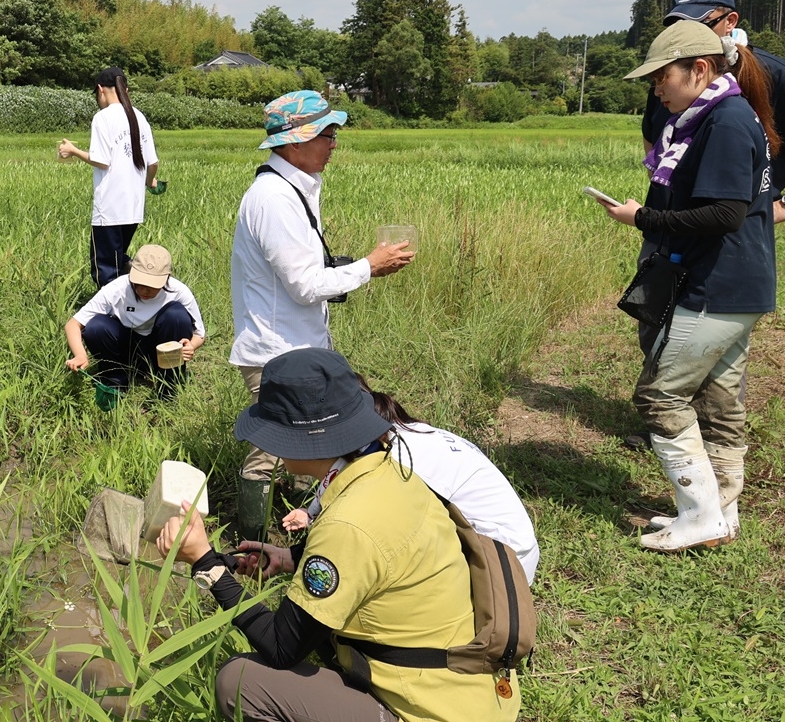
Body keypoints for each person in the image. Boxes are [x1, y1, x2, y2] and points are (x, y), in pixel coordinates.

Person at [157, 348, 519, 722]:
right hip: (480, 714)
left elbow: (282, 646)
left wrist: (205, 564)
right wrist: (288, 559)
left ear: (307, 439)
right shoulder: (391, 473)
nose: (274, 448)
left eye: (276, 435)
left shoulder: (349, 523)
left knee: (241, 682)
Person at [596, 20, 778, 552]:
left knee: (660, 395)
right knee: (719, 401)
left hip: (715, 285)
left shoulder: (722, 122)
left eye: (661, 77)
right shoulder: (722, 115)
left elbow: (723, 212)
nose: (656, 89)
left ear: (699, 69)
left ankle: (699, 515)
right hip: (740, 285)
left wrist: (643, 218)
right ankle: (721, 509)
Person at [229, 90, 415, 490]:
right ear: (295, 141)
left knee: (313, 447)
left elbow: (303, 272)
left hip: (299, 348)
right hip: (277, 355)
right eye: (327, 135)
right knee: (269, 455)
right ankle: (248, 543)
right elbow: (304, 285)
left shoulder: (296, 188)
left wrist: (363, 270)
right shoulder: (274, 198)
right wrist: (368, 267)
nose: (333, 145)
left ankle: (302, 528)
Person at [282, 384, 539, 585]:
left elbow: (360, 536)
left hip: (498, 569)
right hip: (507, 549)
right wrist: (310, 513)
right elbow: (337, 474)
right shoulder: (400, 434)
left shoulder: (395, 463)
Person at [643, 0, 785, 219]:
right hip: (670, 226)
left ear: (730, 21)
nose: (687, 37)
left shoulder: (775, 75)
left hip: (733, 230)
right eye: (678, 28)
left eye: (699, 26)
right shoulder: (668, 81)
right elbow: (652, 133)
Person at [56, 65, 160, 287]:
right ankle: (135, 287)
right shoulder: (138, 117)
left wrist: (73, 151)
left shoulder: (103, 118)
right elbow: (153, 163)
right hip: (133, 207)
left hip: (110, 208)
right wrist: (149, 181)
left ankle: (113, 315)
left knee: (104, 269)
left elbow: (102, 160)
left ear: (101, 89)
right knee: (118, 259)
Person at [64, 243, 205, 397]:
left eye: (152, 285)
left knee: (176, 315)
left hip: (160, 349)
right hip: (126, 346)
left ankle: (169, 386)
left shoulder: (179, 291)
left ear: (166, 278)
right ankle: (116, 380)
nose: (144, 289)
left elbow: (199, 334)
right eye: (140, 283)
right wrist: (80, 355)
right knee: (96, 327)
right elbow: (73, 324)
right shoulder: (118, 288)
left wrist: (190, 346)